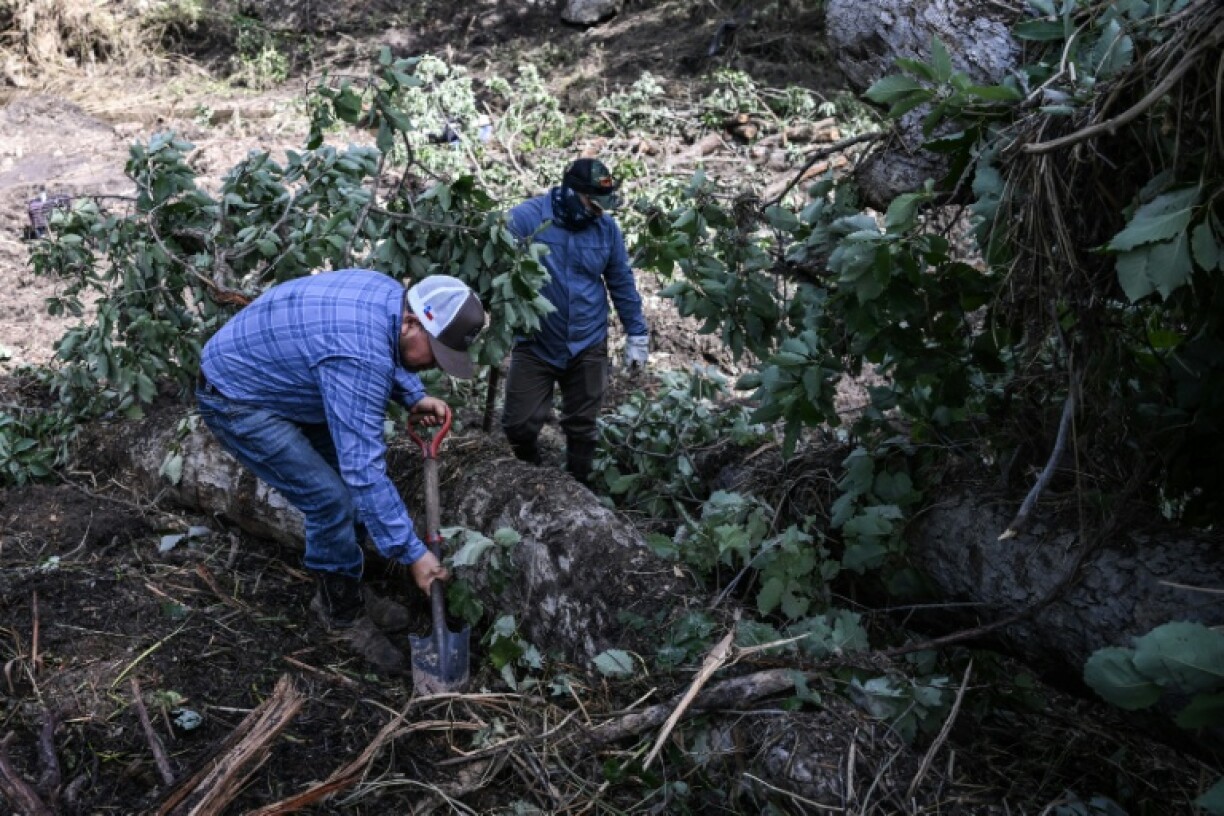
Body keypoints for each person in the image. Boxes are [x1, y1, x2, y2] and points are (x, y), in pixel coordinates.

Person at [196, 270, 485, 674]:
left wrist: (413, 394)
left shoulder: (390, 298)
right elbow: (363, 471)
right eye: (436, 352)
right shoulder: (359, 358)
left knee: (349, 494)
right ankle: (340, 614)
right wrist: (413, 553)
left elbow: (388, 350)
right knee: (331, 499)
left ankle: (347, 585)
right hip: (237, 397)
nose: (436, 363)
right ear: (411, 322)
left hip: (290, 380)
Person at [501, 158, 650, 485]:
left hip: (587, 341)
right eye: (593, 204)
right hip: (536, 341)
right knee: (518, 424)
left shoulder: (606, 229)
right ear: (571, 192)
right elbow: (495, 268)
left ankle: (578, 487)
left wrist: (637, 332)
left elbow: (620, 281)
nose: (599, 211)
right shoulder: (526, 220)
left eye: (604, 205)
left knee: (582, 424)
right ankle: (533, 474)